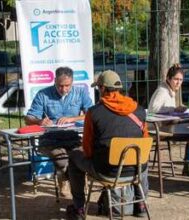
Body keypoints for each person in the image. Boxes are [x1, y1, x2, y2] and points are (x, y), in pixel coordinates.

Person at [66, 70, 149, 220]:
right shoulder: (140, 110)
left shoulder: (93, 112)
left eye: (98, 88)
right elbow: (145, 140)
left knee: (73, 157)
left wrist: (92, 158)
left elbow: (87, 148)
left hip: (107, 171)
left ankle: (78, 208)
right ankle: (141, 205)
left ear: (103, 89)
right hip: (136, 171)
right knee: (141, 156)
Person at [24, 66, 93, 194]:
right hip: (50, 140)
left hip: (72, 138)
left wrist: (72, 119)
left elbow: (92, 114)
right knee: (62, 160)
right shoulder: (43, 94)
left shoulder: (80, 92)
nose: (64, 89)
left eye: (67, 85)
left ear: (72, 82)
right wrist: (39, 121)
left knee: (81, 157)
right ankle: (66, 178)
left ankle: (72, 183)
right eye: (60, 85)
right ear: (55, 81)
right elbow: (28, 118)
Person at [147, 63, 189, 177]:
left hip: (167, 126)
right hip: (160, 129)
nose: (178, 82)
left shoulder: (170, 90)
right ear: (168, 78)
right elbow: (153, 109)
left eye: (181, 80)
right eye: (176, 79)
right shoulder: (162, 91)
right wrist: (174, 109)